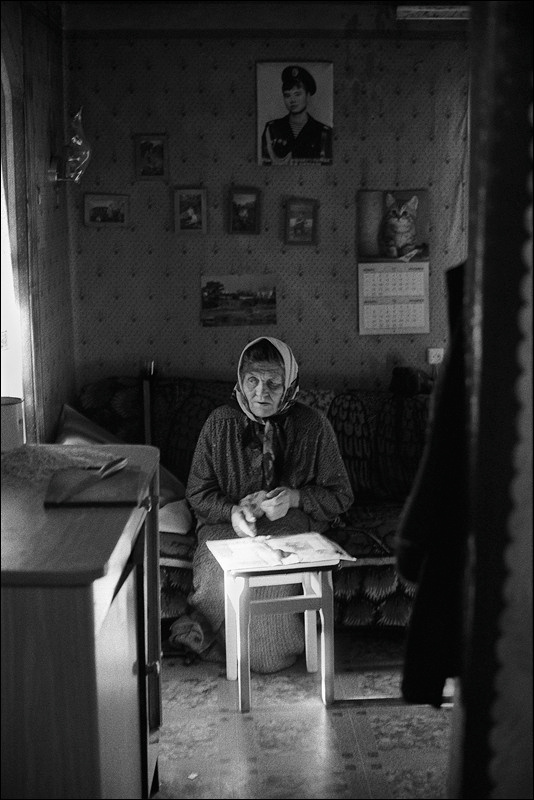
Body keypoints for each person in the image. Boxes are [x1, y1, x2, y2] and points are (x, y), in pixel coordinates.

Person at [185, 336, 353, 673]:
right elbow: (198, 493)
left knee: (270, 586)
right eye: (253, 381)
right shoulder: (220, 424)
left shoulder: (313, 426)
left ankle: (260, 652)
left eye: (273, 383)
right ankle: (232, 648)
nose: (262, 392)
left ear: (289, 384)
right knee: (219, 580)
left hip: (290, 529)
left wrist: (295, 498)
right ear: (241, 382)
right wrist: (231, 512)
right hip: (225, 529)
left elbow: (341, 496)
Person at [261, 65, 333, 165]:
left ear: (308, 96)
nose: (292, 100)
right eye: (287, 95)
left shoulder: (323, 132)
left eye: (297, 94)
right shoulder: (272, 129)